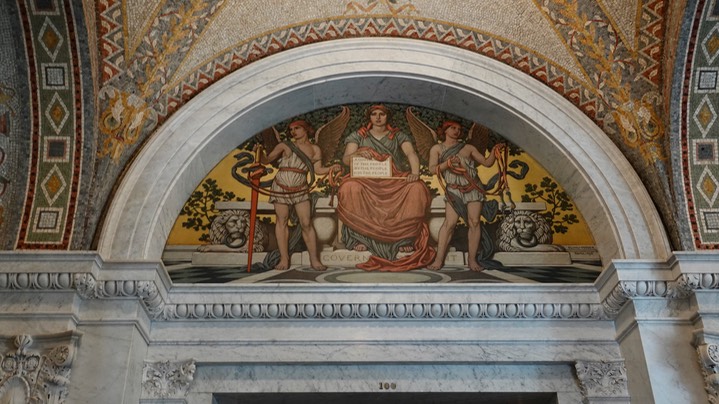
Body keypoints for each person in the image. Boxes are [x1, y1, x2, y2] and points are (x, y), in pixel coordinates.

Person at [336, 105, 435, 271]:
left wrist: (415, 173)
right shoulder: (359, 135)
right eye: (374, 114)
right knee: (350, 187)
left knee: (416, 188)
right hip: (365, 179)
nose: (378, 117)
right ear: (369, 117)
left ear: (387, 117)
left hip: (392, 179)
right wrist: (357, 154)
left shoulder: (397, 135)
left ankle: (404, 239)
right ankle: (360, 238)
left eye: (381, 114)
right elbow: (346, 159)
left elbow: (411, 154)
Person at [257, 120, 340, 271]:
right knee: (282, 221)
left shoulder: (315, 149)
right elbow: (267, 160)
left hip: (300, 187)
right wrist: (259, 153)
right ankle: (284, 259)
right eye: (291, 129)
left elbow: (318, 170)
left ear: (306, 129)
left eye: (297, 128)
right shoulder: (285, 145)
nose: (293, 132)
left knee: (306, 223)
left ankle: (314, 260)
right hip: (280, 186)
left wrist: (331, 168)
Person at [427, 120, 505, 272]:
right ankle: (438, 260)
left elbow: (487, 163)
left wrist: (495, 151)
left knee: (474, 222)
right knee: (449, 223)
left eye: (459, 129)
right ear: (445, 130)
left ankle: (472, 260)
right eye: (453, 128)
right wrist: (447, 164)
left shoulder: (468, 148)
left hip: (473, 188)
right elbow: (432, 169)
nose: (457, 131)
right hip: (454, 190)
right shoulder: (437, 148)